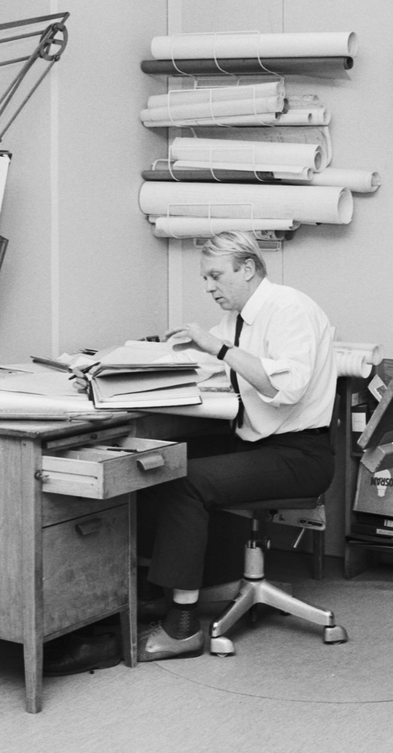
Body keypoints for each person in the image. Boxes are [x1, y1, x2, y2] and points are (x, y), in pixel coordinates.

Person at [137, 230, 337, 661]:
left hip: (300, 455)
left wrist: (217, 347)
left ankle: (183, 626)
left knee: (186, 481)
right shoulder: (238, 317)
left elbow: (284, 389)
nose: (209, 287)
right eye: (205, 278)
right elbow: (207, 363)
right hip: (257, 444)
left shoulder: (290, 309)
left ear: (247, 268)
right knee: (156, 463)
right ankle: (156, 593)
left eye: (215, 276)